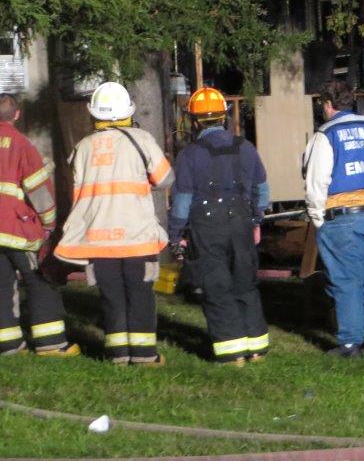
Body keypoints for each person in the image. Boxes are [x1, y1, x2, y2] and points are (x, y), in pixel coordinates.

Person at [55, 82, 174, 366]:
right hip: (137, 237)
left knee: (112, 297)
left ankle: (118, 354)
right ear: (128, 111)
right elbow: (166, 178)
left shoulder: (82, 148)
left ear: (93, 113)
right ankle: (145, 354)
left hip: (99, 238)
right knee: (140, 294)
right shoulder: (141, 140)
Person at [0, 93, 79, 356]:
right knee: (39, 281)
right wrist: (49, 223)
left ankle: (9, 345)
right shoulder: (21, 144)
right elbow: (38, 190)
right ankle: (51, 344)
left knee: (1, 284)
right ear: (17, 114)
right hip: (19, 230)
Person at [169, 87, 271, 365]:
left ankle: (231, 352)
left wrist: (177, 234)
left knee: (217, 286)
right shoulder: (246, 147)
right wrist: (256, 220)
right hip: (241, 221)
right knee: (245, 283)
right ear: (224, 117)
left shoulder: (190, 155)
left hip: (207, 225)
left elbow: (182, 201)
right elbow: (262, 189)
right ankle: (257, 348)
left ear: (195, 121)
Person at [302, 79, 364, 358]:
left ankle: (350, 343)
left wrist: (318, 217)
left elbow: (317, 180)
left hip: (340, 216)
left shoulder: (326, 134)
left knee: (346, 281)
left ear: (327, 104)